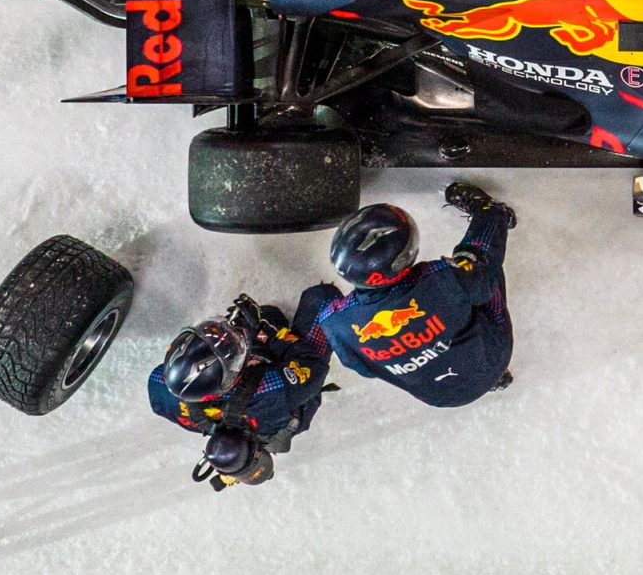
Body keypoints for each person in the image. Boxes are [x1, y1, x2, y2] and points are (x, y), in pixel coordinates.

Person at [313, 182, 518, 408]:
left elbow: (364, 368)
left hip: (440, 395)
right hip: (494, 357)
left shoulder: (334, 322)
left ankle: (489, 379)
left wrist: (412, 351)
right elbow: (484, 286)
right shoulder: (440, 278)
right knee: (474, 264)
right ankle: (493, 214)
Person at [149, 288, 339, 489]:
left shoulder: (160, 389)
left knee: (263, 316)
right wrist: (265, 330)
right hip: (291, 394)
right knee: (322, 298)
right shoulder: (270, 390)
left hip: (258, 406)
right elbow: (314, 365)